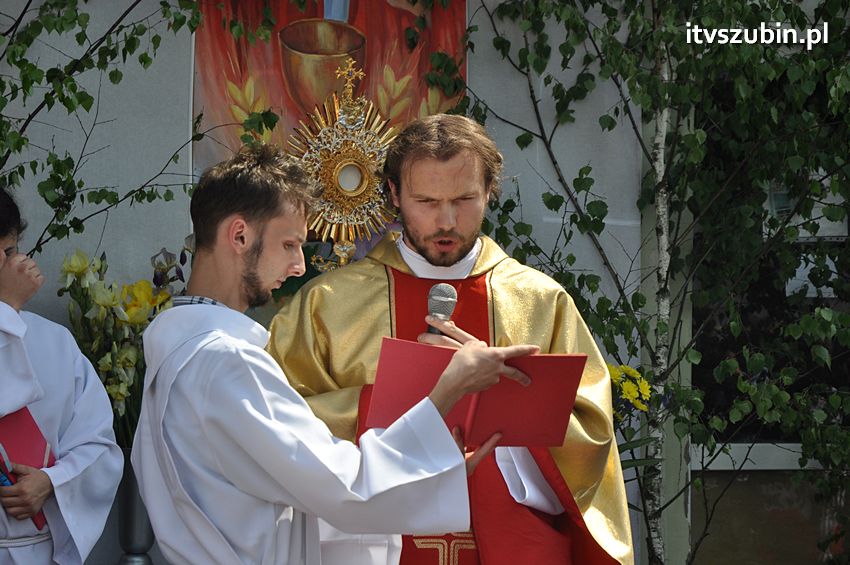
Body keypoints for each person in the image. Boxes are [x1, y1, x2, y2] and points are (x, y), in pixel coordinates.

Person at [130, 144, 538, 565]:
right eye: (289, 244)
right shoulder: (225, 363)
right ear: (239, 236)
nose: (298, 266)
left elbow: (275, 501)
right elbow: (348, 489)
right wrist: (449, 388)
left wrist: (436, 471)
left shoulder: (176, 351)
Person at [267, 114, 634, 565]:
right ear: (394, 194)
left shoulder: (540, 302)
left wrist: (494, 404)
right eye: (426, 201)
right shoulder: (328, 304)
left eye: (464, 199)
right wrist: (424, 399)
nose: (446, 220)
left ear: (489, 192)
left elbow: (591, 438)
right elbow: (280, 426)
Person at [0, 188, 123, 564]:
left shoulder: (53, 340)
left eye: (12, 249)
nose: (16, 263)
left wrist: (52, 481)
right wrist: (5, 309)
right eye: (5, 254)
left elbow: (98, 444)